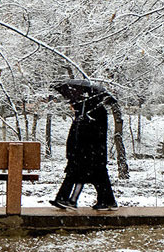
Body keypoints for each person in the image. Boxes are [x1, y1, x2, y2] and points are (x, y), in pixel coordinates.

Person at [50, 81, 118, 211]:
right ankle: (107, 201)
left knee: (82, 175)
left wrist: (83, 123)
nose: (70, 103)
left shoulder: (93, 113)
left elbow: (93, 134)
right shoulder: (83, 112)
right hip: (87, 153)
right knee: (96, 177)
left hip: (88, 152)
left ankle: (67, 199)